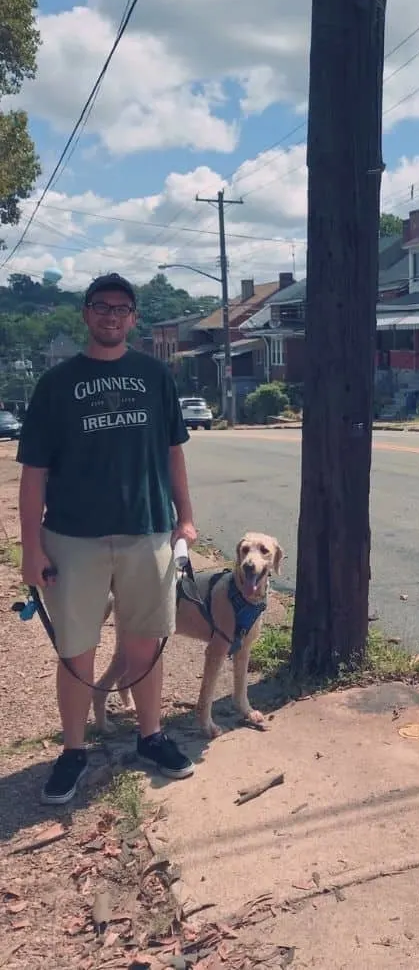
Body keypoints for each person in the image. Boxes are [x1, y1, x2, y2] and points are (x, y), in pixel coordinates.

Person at [18, 272, 198, 804]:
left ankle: (150, 736)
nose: (111, 316)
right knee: (77, 651)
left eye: (121, 308)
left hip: (147, 532)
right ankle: (73, 751)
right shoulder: (57, 385)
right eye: (101, 307)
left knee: (145, 643)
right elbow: (33, 474)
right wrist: (31, 549)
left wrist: (185, 517)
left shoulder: (155, 375)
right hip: (73, 538)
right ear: (86, 314)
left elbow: (173, 452)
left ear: (134, 318)